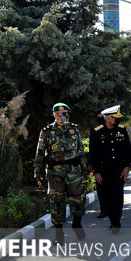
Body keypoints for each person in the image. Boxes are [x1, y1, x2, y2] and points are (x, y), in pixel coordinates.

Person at [34, 103, 88, 244]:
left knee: (78, 200)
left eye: (65, 113)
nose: (63, 116)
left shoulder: (74, 129)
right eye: (60, 114)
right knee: (56, 203)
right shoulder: (47, 131)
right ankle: (59, 234)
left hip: (73, 172)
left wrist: (84, 168)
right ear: (55, 115)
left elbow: (80, 150)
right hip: (55, 173)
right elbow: (40, 153)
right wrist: (37, 171)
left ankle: (77, 223)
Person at [89, 105, 131, 232]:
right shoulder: (97, 132)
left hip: (119, 170)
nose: (117, 120)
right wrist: (96, 172)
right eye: (115, 118)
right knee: (107, 198)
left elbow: (127, 150)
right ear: (108, 119)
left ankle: (116, 222)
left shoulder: (122, 130)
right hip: (104, 171)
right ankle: (112, 220)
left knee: (118, 197)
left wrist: (127, 167)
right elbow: (93, 153)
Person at [88, 111, 108, 219]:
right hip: (99, 164)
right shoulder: (95, 131)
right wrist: (91, 163)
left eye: (102, 117)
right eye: (98, 117)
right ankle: (103, 210)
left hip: (112, 165)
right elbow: (92, 149)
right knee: (100, 188)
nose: (101, 118)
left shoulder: (113, 129)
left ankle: (112, 209)